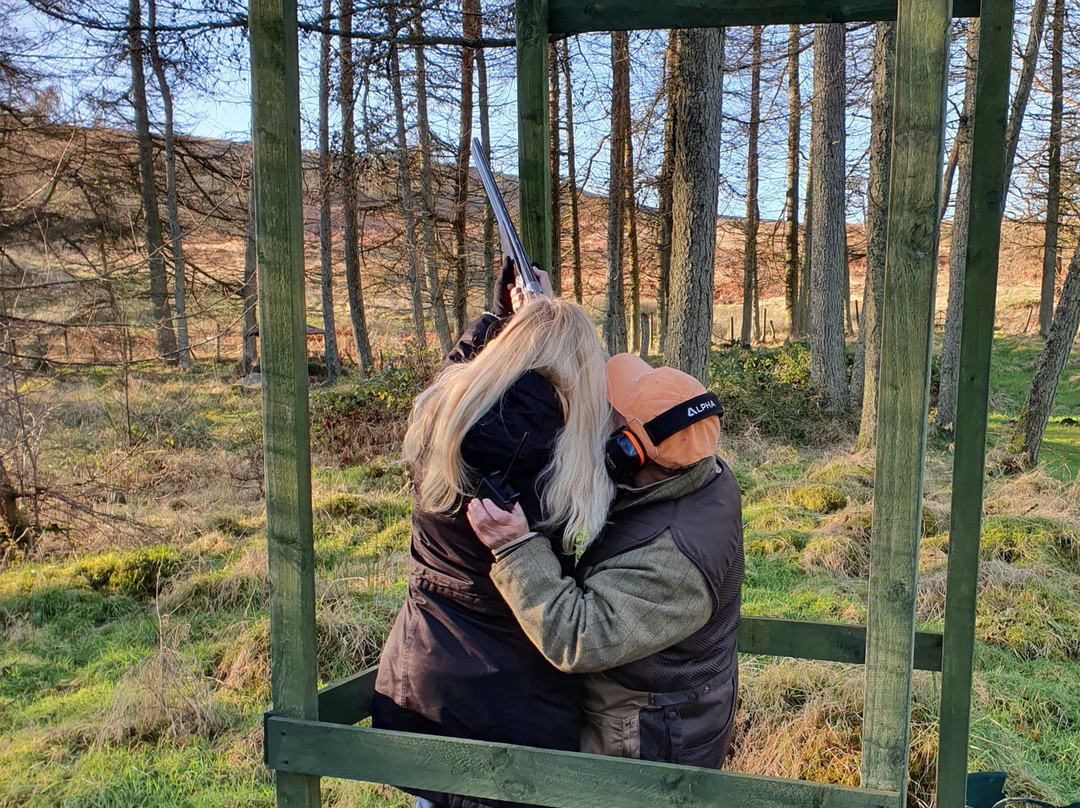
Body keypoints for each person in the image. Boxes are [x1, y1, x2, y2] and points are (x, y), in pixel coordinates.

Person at [371, 283, 614, 808]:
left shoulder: (446, 416)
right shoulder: (562, 453)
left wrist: (496, 320)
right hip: (514, 703)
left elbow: (456, 371)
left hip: (425, 678)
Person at [467, 353, 744, 770]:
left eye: (609, 419)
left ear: (626, 453)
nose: (599, 417)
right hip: (675, 707)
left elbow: (577, 638)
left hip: (644, 738)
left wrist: (516, 548)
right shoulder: (702, 475)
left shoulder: (672, 560)